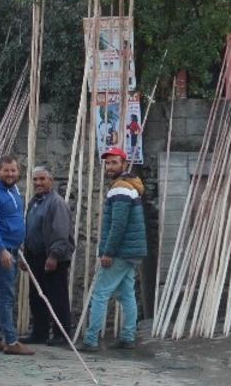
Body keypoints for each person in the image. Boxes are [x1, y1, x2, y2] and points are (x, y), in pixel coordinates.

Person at [81, 147, 147, 352]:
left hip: (120, 251)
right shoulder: (131, 186)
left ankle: (91, 340)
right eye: (107, 163)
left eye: (114, 163)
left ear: (124, 164)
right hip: (131, 251)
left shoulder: (120, 188)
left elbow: (118, 225)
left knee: (100, 293)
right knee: (126, 293)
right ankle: (128, 337)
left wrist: (108, 252)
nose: (109, 167)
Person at [0, 155, 35, 355]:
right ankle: (11, 341)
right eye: (6, 170)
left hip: (12, 249)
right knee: (6, 296)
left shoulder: (12, 190)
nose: (10, 174)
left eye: (13, 170)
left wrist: (16, 249)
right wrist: (2, 249)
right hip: (0, 252)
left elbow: (13, 219)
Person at [21, 166, 76, 346]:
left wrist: (53, 256)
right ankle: (40, 332)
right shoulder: (34, 201)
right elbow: (30, 229)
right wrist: (26, 255)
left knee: (56, 296)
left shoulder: (56, 203)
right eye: (35, 179)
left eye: (42, 179)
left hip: (53, 257)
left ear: (50, 181)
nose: (38, 183)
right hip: (35, 256)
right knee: (37, 297)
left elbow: (61, 232)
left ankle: (61, 334)